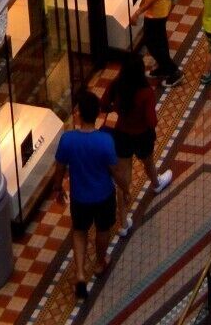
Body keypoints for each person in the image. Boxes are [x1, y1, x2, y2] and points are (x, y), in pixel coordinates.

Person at [57, 91, 123, 295]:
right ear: (96, 114)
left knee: (79, 231)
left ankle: (79, 273)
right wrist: (126, 189)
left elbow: (59, 168)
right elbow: (115, 170)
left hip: (80, 197)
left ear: (79, 114)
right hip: (103, 195)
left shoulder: (67, 140)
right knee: (103, 229)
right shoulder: (105, 141)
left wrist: (57, 187)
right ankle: (100, 262)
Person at [104, 49, 171, 213]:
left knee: (124, 172)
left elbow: (104, 104)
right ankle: (156, 184)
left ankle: (124, 205)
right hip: (142, 136)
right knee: (148, 163)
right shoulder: (146, 93)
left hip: (121, 134)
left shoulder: (116, 85)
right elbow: (151, 120)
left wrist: (116, 108)